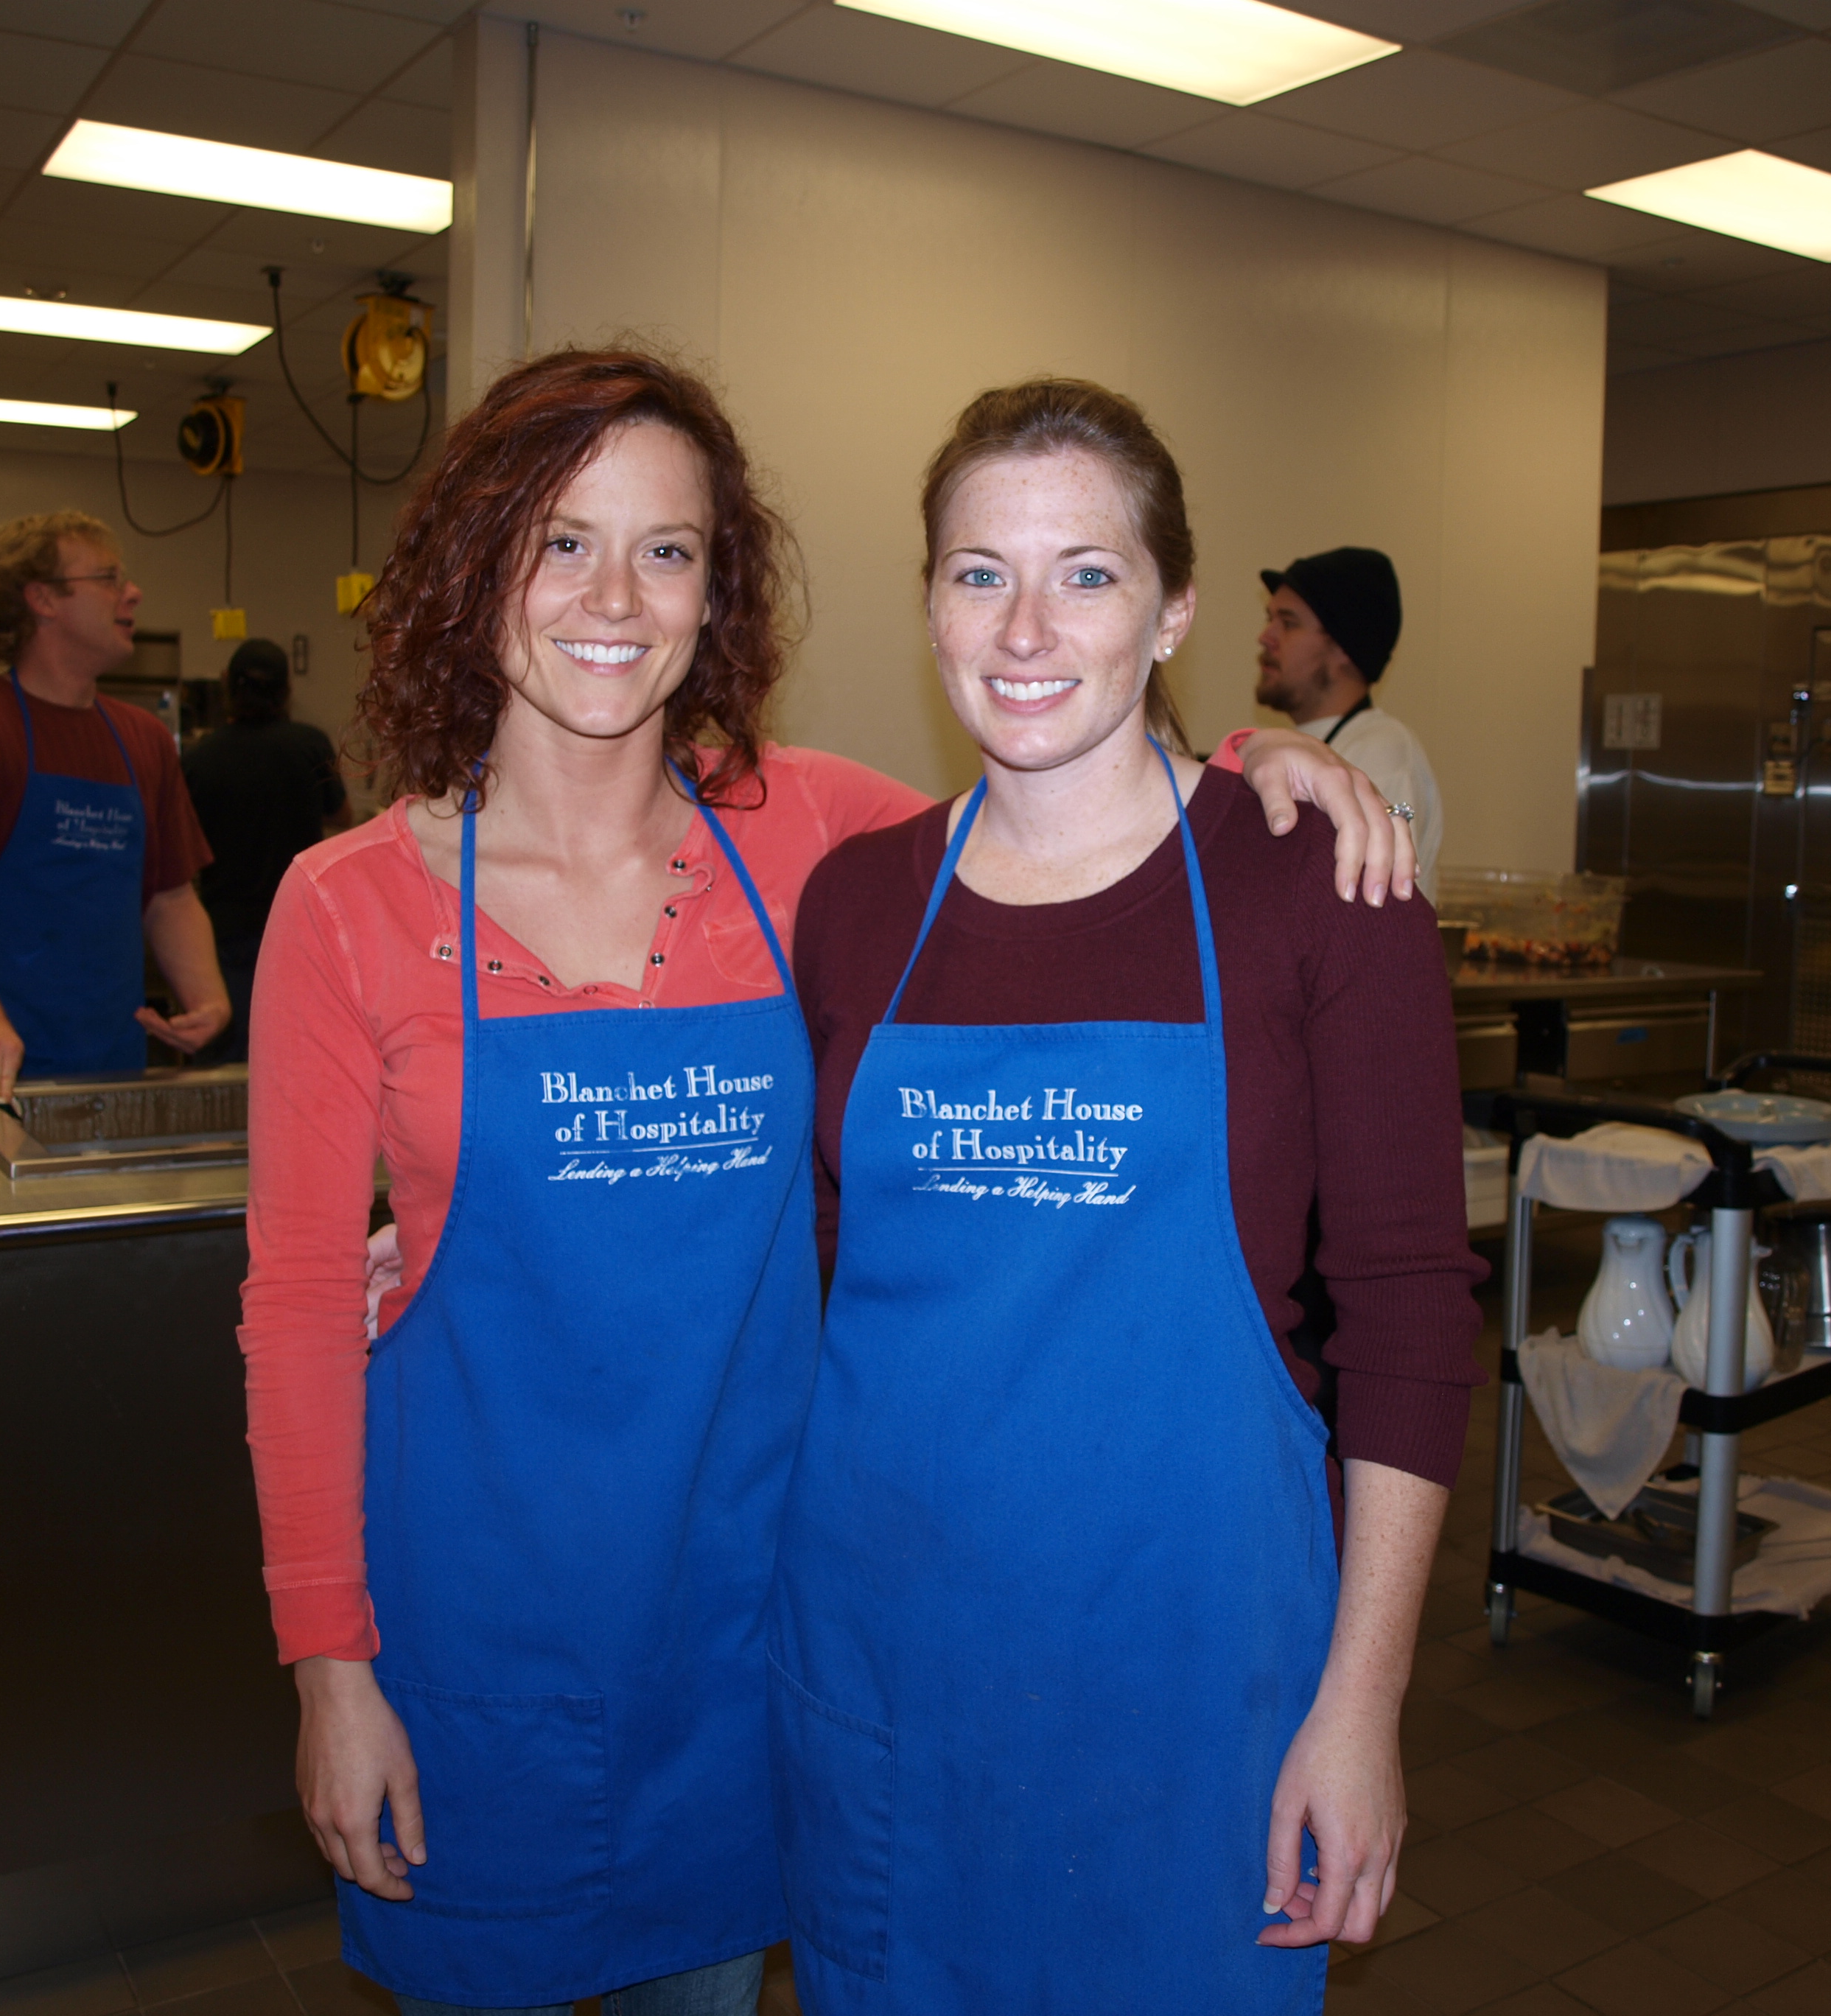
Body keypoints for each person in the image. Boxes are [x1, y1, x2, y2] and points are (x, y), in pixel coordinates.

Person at [237, 350, 1415, 2016]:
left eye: (667, 549)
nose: (615, 597)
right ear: (472, 565)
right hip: (473, 1637)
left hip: (742, 1641)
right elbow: (295, 1309)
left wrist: (1267, 765)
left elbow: (1067, 812)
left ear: (714, 591)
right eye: (561, 541)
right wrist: (327, 1665)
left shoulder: (807, 845)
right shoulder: (346, 904)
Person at [774, 382, 1485, 2014]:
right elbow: (803, 1260)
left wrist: (1361, 1705)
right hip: (886, 1677)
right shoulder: (859, 901)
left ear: (1173, 612)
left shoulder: (1319, 882)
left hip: (1197, 1687)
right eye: (979, 574)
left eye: (1086, 575)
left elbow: (1407, 1312)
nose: (1025, 628)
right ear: (929, 605)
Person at [0, 510, 228, 1095]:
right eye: (109, 578)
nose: (133, 592)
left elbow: (171, 896)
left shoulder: (144, 740)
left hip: (111, 1058)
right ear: (43, 599)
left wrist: (207, 998)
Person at [181, 638, 348, 1065]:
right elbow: (341, 815)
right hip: (297, 927)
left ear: (229, 686)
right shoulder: (309, 745)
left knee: (231, 1061)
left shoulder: (201, 759)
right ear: (286, 690)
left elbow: (183, 842)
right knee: (295, 1056)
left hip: (226, 930)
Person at [1256, 546, 1444, 900]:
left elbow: (1370, 910)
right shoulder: (1301, 747)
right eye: (1270, 619)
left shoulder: (1381, 753)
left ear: (1344, 648)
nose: (1266, 637)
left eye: (1289, 623)